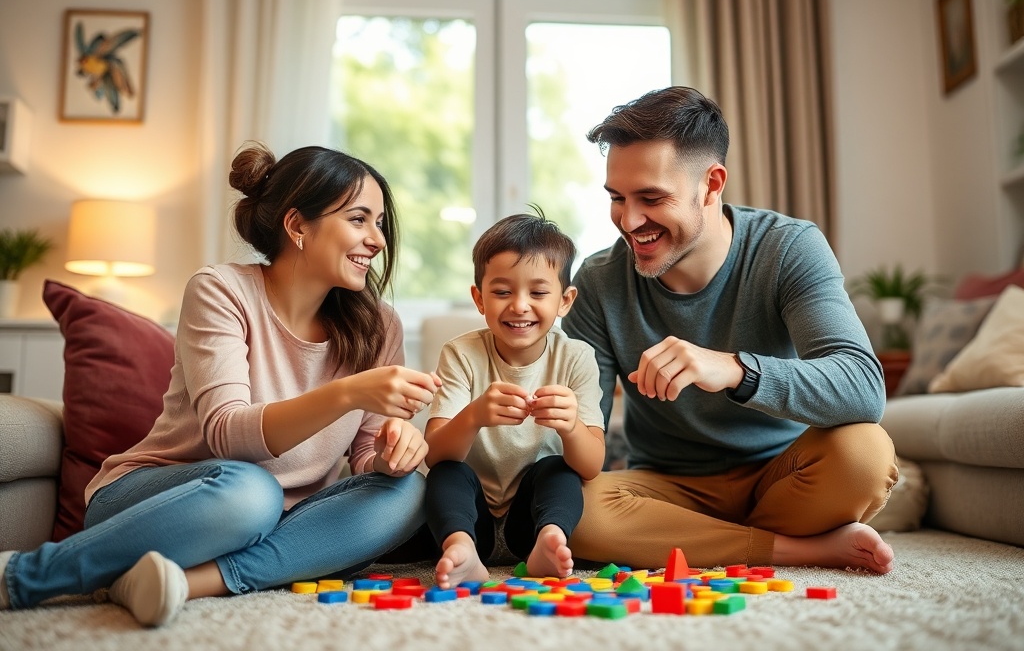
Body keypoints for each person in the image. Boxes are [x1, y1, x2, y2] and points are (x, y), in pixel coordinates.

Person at [0, 142, 441, 627]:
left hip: (279, 521)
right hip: (163, 503)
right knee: (250, 492)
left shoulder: (379, 325)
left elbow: (363, 460)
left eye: (379, 223)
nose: (377, 240)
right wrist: (349, 393)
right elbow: (228, 435)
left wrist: (392, 451)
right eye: (359, 219)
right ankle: (26, 575)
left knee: (410, 491)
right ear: (297, 226)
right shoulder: (220, 290)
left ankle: (184, 581)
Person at [561, 86, 898, 575]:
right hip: (669, 489)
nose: (629, 221)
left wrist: (735, 369)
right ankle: (800, 548)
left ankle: (711, 545)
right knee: (575, 509)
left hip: (785, 477)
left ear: (712, 184)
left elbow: (863, 388)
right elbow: (582, 426)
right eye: (617, 198)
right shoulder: (598, 281)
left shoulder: (789, 248)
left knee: (865, 453)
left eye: (651, 198)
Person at [423, 210, 606, 589]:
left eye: (538, 293)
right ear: (479, 298)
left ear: (565, 300)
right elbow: (435, 454)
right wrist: (473, 416)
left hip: (533, 517)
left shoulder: (576, 357)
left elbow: (591, 465)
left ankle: (551, 540)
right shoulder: (461, 353)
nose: (519, 305)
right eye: (502, 292)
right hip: (471, 517)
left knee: (558, 468)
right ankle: (460, 550)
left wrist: (571, 428)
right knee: (448, 473)